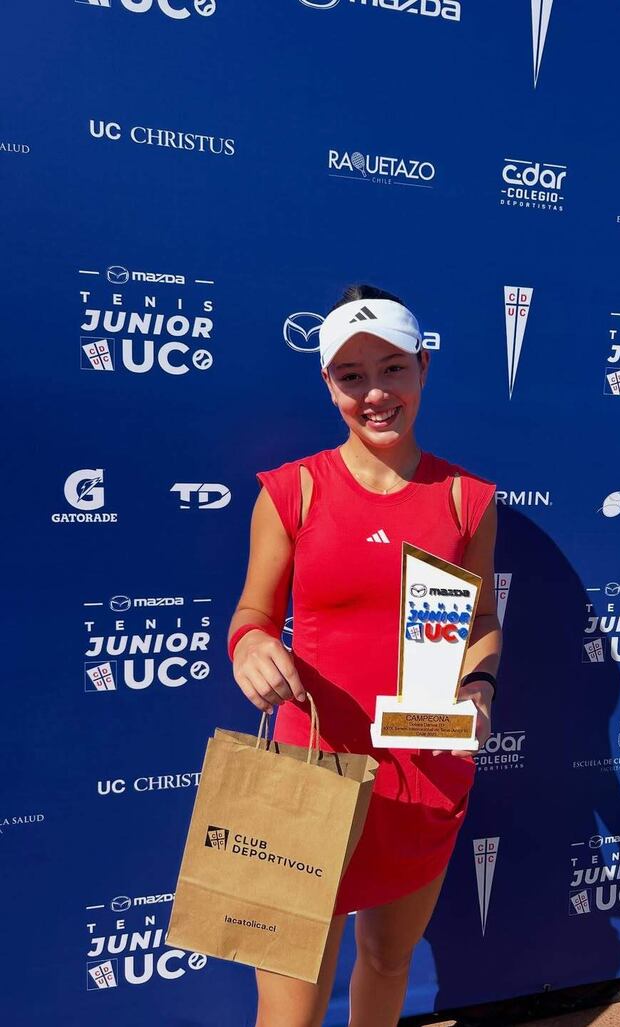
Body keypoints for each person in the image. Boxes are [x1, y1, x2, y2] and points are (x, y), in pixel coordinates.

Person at [228, 283, 502, 1027]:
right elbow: (253, 614)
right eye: (352, 376)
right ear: (329, 384)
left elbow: (481, 618)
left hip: (423, 767)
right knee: (290, 997)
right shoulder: (293, 490)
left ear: (423, 367)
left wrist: (478, 684)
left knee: (386, 959)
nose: (375, 393)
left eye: (393, 369)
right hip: (307, 770)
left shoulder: (467, 500)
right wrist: (251, 645)